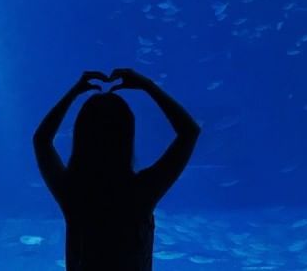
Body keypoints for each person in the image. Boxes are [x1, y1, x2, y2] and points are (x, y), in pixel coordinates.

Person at [33, 67, 201, 270]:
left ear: (80, 136)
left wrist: (74, 92)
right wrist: (148, 85)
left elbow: (41, 140)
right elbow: (189, 132)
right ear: (126, 137)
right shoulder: (141, 191)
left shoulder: (72, 191)